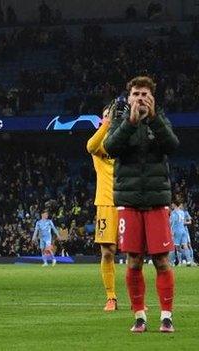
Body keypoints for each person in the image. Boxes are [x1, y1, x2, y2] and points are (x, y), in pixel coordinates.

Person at [104, 76, 179, 333]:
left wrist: (154, 118)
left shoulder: (161, 119)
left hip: (157, 199)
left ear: (152, 97)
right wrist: (130, 122)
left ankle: (166, 317)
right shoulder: (120, 120)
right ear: (129, 97)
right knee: (134, 261)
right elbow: (110, 147)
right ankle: (139, 316)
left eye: (144, 94)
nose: (140, 98)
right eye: (135, 94)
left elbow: (172, 145)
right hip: (129, 200)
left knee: (161, 260)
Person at [86, 104, 119, 311]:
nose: (111, 118)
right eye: (107, 115)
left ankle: (137, 298)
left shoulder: (128, 140)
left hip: (128, 200)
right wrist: (107, 121)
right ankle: (111, 297)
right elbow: (90, 146)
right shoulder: (99, 144)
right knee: (107, 252)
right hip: (106, 202)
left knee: (135, 253)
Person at [169, 201, 191, 266]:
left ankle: (171, 262)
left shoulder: (173, 213)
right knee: (184, 246)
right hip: (183, 231)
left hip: (176, 231)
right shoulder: (182, 212)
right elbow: (183, 221)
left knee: (172, 247)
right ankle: (189, 261)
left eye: (172, 204)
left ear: (175, 205)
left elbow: (172, 223)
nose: (171, 205)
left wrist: (171, 231)